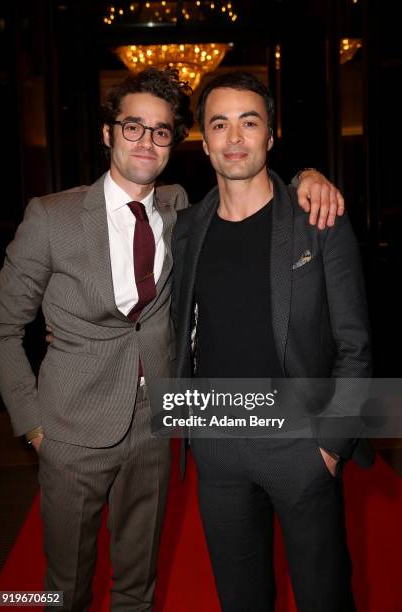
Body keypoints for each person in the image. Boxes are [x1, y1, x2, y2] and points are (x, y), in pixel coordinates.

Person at [0, 66, 343, 611]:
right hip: (69, 433)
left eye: (160, 131)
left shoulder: (181, 210)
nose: (146, 141)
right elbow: (4, 329)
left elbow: (252, 180)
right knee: (58, 589)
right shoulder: (50, 217)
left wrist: (308, 177)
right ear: (107, 133)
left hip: (159, 431)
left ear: (175, 144)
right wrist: (35, 428)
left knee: (139, 586)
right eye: (133, 127)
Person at [171, 71, 373, 612]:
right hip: (216, 440)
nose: (234, 138)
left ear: (270, 134)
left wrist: (331, 445)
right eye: (220, 124)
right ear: (204, 139)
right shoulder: (186, 228)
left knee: (324, 596)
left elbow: (355, 344)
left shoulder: (317, 219)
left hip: (301, 443)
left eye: (249, 122)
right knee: (241, 599)